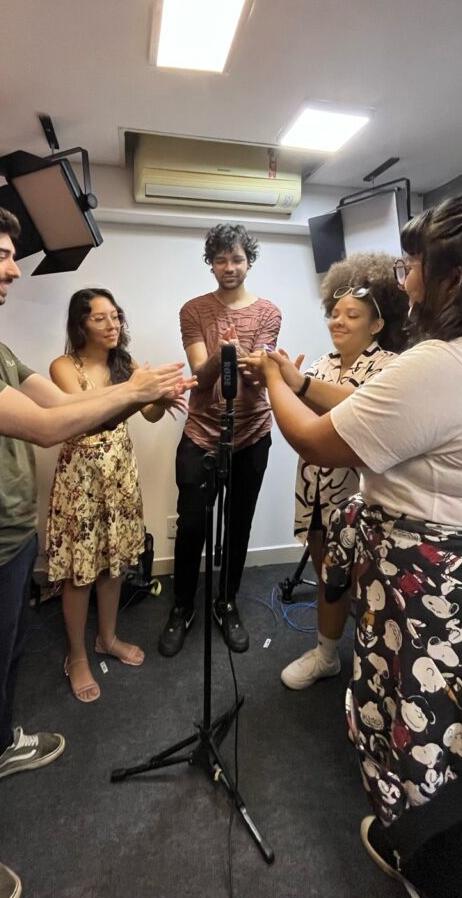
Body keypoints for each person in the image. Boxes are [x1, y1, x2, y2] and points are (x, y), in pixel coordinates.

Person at [248, 189, 462, 898]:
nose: (405, 282)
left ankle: (436, 863)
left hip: (451, 616)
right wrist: (305, 380)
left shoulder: (446, 362)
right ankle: (422, 847)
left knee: (455, 816)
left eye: (416, 267)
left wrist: (275, 382)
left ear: (460, 276)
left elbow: (316, 439)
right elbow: (381, 418)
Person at [0, 199, 192, 898]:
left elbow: (59, 407)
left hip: (9, 541)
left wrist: (141, 391)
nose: (15, 270)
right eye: (1, 255)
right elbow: (48, 430)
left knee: (6, 664)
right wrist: (132, 388)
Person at [273, 253, 408, 689]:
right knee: (328, 576)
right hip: (313, 491)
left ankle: (376, 662)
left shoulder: (388, 367)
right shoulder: (320, 365)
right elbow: (306, 418)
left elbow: (355, 409)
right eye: (334, 312)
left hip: (361, 498)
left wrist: (295, 384)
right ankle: (328, 654)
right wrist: (278, 382)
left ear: (377, 324)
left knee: (367, 585)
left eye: (352, 315)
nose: (338, 321)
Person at [47, 288, 186, 702]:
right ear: (80, 324)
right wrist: (137, 392)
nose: (112, 325)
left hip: (119, 473)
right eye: (100, 318)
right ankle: (77, 656)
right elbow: (85, 417)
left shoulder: (124, 365)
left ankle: (106, 638)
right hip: (81, 479)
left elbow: (149, 414)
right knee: (79, 572)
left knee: (113, 564)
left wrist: (160, 398)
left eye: (116, 316)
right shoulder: (63, 367)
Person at [158, 223, 281, 657]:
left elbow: (262, 377)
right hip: (202, 433)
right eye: (221, 259)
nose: (229, 267)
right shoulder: (193, 310)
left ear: (249, 261)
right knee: (192, 524)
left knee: (238, 522)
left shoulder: (269, 312)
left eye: (237, 259)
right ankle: (181, 606)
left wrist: (254, 367)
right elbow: (199, 378)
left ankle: (226, 602)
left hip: (252, 432)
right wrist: (220, 356)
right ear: (210, 263)